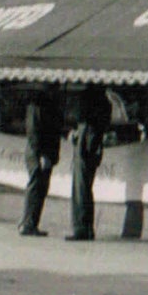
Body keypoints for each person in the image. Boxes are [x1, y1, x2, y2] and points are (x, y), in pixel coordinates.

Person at [17, 93, 60, 237]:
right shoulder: (38, 106)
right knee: (36, 185)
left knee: (40, 186)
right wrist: (42, 154)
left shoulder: (40, 105)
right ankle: (28, 223)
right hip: (39, 153)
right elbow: (35, 131)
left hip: (42, 152)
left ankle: (30, 222)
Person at [66, 90, 106, 242]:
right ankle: (86, 227)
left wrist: (77, 133)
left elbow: (81, 118)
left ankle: (81, 227)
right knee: (85, 187)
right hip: (91, 148)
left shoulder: (89, 103)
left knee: (80, 188)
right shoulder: (104, 104)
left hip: (85, 148)